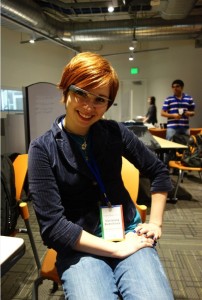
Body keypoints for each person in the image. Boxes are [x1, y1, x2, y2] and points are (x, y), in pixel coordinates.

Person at [28, 52, 174, 300]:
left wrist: (155, 223)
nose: (88, 106)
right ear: (65, 89)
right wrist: (116, 251)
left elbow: (158, 171)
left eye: (99, 99)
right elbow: (52, 227)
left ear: (108, 104)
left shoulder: (115, 132)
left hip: (128, 233)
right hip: (80, 246)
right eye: (81, 93)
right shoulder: (42, 149)